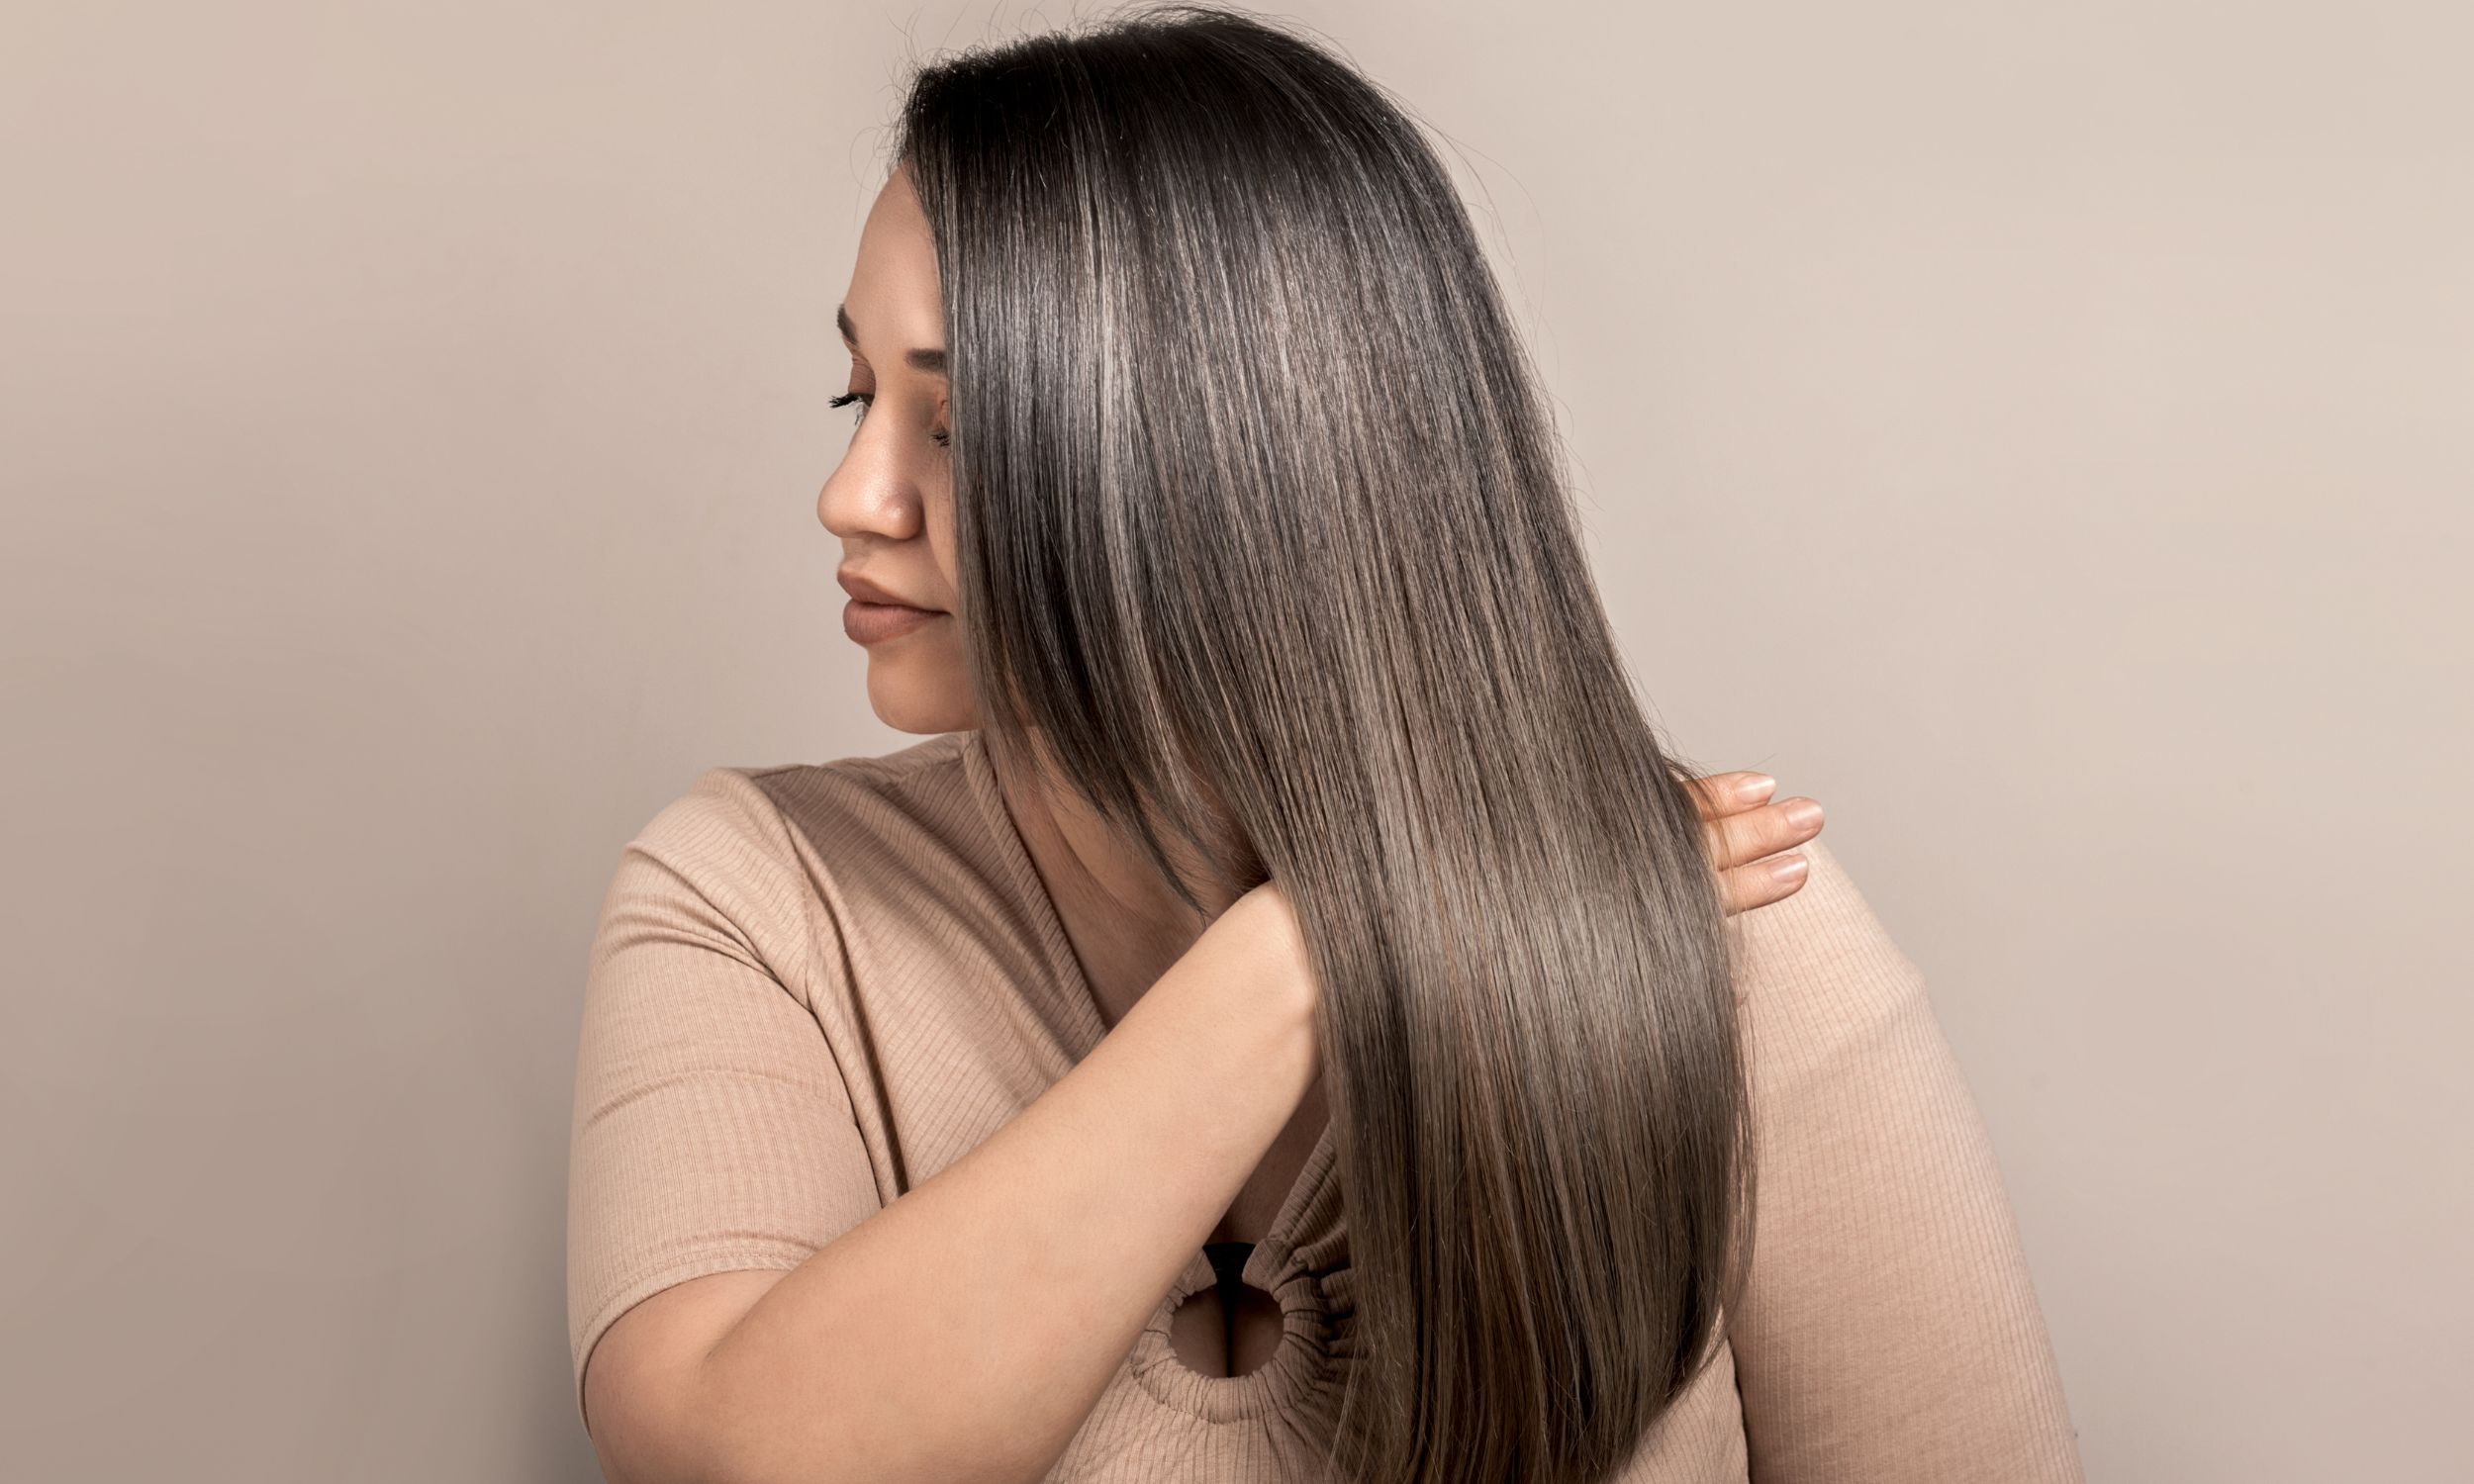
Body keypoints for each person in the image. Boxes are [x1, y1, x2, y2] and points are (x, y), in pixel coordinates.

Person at [564, 6, 2084, 1482]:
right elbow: (730, 1454)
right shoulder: (756, 903)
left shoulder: (1728, 924)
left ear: (1229, 457)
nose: (851, 496)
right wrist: (1305, 956)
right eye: (855, 397)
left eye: (953, 430)